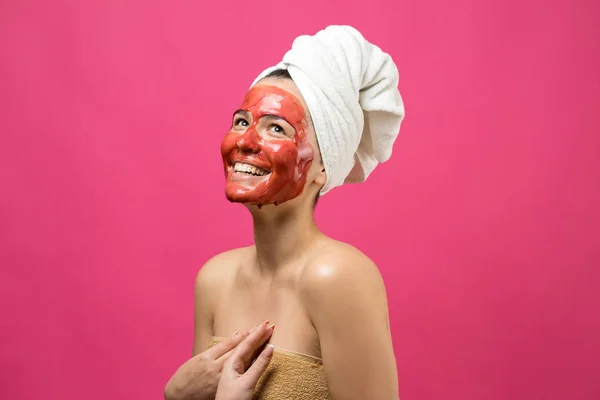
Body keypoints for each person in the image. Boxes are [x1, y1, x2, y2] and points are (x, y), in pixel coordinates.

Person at [165, 25, 405, 399]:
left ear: (323, 168)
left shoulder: (338, 278)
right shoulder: (214, 280)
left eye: (275, 127)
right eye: (242, 121)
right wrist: (177, 396)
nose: (245, 141)